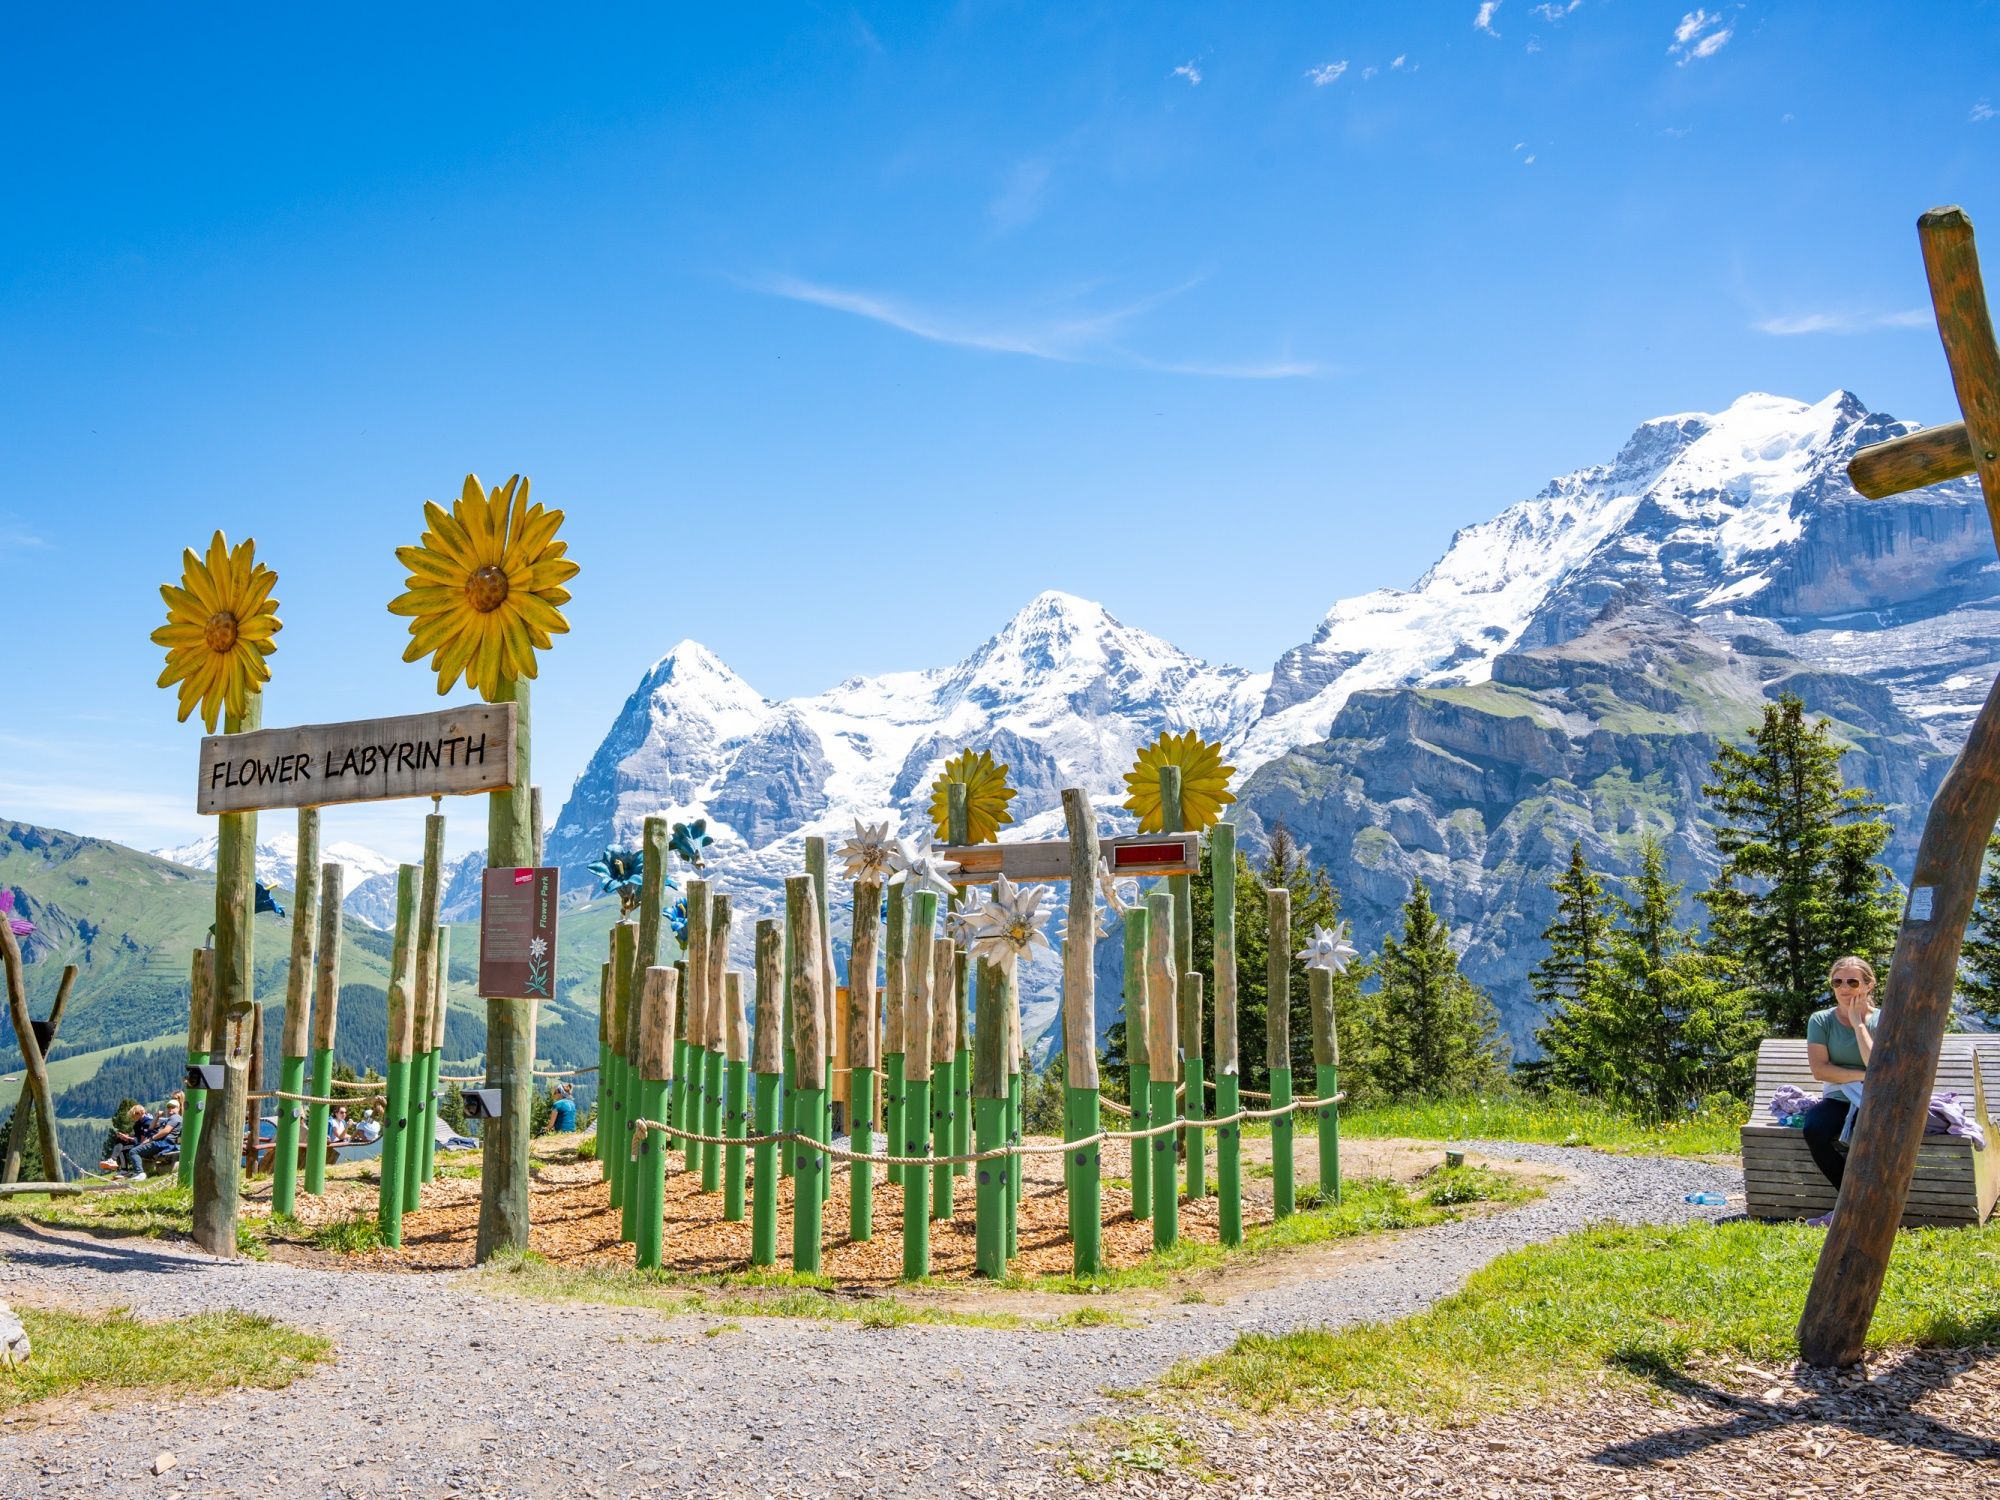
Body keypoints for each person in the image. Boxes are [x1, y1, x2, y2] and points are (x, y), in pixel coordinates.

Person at [1800, 955, 1880, 1225]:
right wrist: (1863, 1076)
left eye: (1852, 981)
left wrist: (1858, 1023)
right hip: (1839, 1096)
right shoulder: (1821, 1020)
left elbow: (1876, 1062)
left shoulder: (1883, 1020)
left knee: (1870, 1134)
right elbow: (1820, 1070)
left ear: (1868, 985)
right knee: (1814, 1129)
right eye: (1837, 982)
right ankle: (1854, 1205)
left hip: (1875, 1099)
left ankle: (1856, 1208)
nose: (1844, 988)